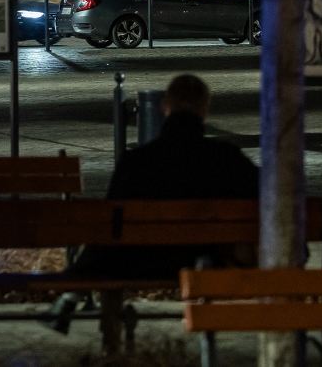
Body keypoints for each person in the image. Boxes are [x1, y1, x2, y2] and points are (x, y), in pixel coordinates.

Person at [44, 74, 258, 331]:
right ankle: (71, 296)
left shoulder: (135, 162)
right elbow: (265, 195)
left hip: (140, 263)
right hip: (203, 262)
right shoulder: (228, 159)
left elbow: (111, 224)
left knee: (109, 232)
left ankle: (71, 296)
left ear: (165, 107)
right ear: (204, 111)